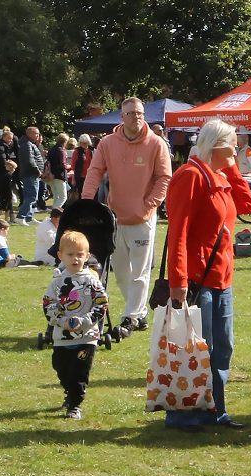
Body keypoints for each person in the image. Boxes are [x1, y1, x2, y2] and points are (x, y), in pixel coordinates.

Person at [163, 118, 251, 433]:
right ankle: (186, 415)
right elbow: (178, 232)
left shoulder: (217, 174)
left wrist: (231, 168)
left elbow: (247, 204)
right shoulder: (190, 176)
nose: (238, 147)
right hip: (197, 278)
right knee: (195, 348)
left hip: (221, 278)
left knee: (222, 347)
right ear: (218, 145)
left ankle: (216, 409)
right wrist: (178, 282)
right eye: (233, 143)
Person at [81, 97, 172, 335]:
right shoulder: (107, 143)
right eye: (131, 113)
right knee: (121, 272)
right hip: (115, 218)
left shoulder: (156, 143)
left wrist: (149, 205)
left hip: (143, 218)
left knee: (141, 271)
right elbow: (95, 172)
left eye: (140, 113)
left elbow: (164, 178)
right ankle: (139, 313)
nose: (136, 117)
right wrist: (86, 202)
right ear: (122, 117)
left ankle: (130, 317)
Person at [41, 230, 109, 420]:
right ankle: (69, 392)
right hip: (62, 336)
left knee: (80, 372)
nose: (75, 259)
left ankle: (75, 404)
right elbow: (49, 303)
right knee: (61, 367)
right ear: (61, 256)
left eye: (80, 255)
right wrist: (61, 320)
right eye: (70, 255)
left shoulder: (92, 281)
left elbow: (102, 304)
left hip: (86, 336)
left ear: (87, 256)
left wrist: (85, 321)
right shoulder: (57, 281)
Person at [15, 126, 45, 224]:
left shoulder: (28, 144)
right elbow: (30, 160)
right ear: (30, 134)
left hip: (30, 174)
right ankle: (20, 216)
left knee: (30, 196)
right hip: (30, 174)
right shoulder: (27, 145)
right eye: (36, 133)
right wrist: (37, 171)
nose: (38, 136)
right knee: (32, 196)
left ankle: (29, 217)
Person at [0, 128, 18, 223]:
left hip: (3, 175)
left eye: (12, 139)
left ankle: (9, 217)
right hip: (0, 177)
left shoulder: (4, 147)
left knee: (7, 197)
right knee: (4, 197)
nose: (11, 140)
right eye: (9, 138)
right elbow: (2, 162)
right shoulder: (1, 147)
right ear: (4, 137)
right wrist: (11, 166)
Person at [47, 133, 71, 209]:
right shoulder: (62, 151)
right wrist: (70, 166)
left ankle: (53, 213)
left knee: (56, 196)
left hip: (51, 175)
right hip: (59, 176)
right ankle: (55, 213)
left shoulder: (51, 149)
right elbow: (63, 165)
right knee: (63, 197)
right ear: (65, 141)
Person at [71, 134, 94, 200]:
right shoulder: (77, 151)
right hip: (80, 176)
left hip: (90, 176)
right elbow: (73, 165)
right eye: (82, 143)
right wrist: (73, 179)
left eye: (85, 143)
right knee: (81, 194)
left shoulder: (92, 151)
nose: (84, 145)